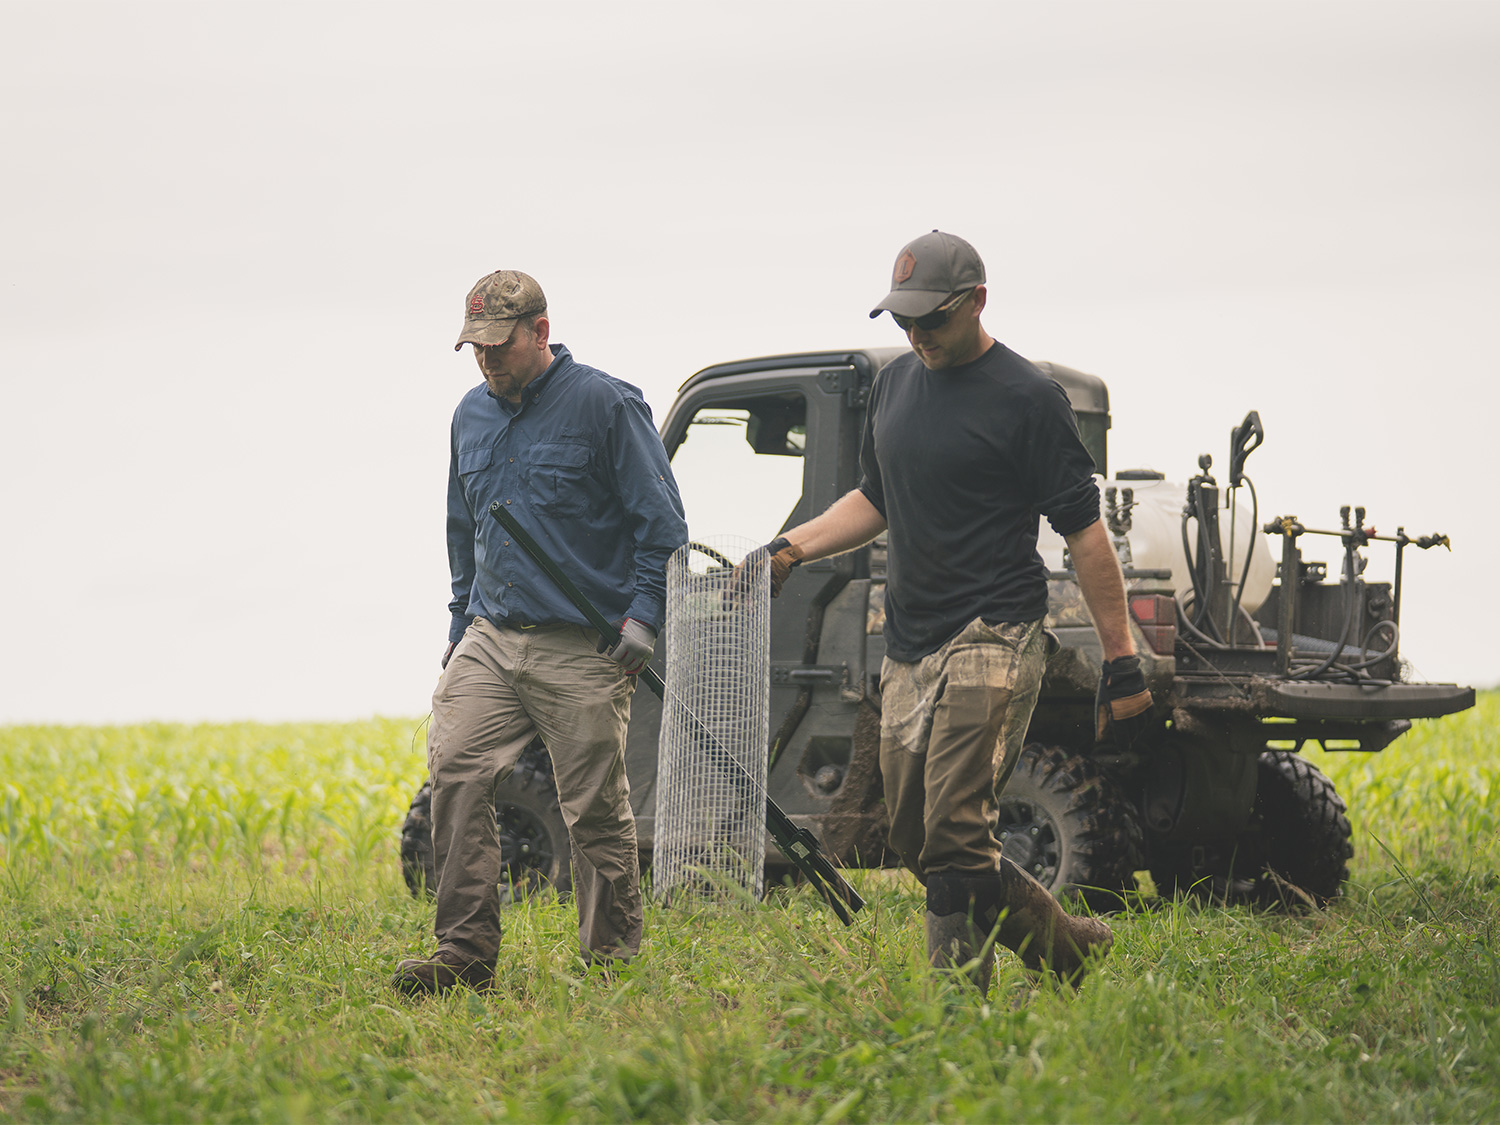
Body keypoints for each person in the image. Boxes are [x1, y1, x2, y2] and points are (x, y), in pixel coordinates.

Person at [763, 231, 1151, 991]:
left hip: (994, 632)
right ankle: (1065, 946)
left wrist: (1124, 661)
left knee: (953, 833)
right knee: (913, 837)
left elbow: (1085, 533)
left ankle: (957, 1007)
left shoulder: (1028, 399)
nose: (917, 337)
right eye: (903, 323)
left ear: (976, 302)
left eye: (931, 321)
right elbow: (876, 499)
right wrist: (791, 547)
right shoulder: (897, 387)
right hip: (911, 642)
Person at [394, 269, 688, 995]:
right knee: (456, 770)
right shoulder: (470, 415)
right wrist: (460, 624)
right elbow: (463, 527)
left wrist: (643, 618)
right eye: (476, 347)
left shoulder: (605, 405)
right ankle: (463, 952)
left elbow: (663, 526)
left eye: (499, 344)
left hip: (580, 641)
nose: (487, 358)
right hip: (490, 635)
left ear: (540, 332)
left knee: (592, 806)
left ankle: (610, 961)